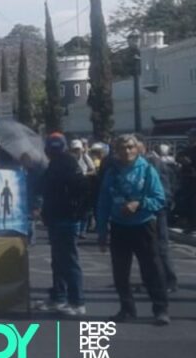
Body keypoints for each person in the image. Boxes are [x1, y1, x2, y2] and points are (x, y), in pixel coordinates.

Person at [97, 134, 169, 325]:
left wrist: (140, 204)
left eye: (130, 147)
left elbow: (160, 199)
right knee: (120, 272)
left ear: (137, 149)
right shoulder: (111, 173)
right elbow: (103, 201)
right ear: (116, 151)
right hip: (119, 227)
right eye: (122, 148)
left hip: (143, 226)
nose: (126, 151)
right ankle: (127, 308)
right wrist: (102, 230)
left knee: (152, 270)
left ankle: (160, 309)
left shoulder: (147, 170)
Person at [41, 133, 88, 316]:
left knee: (68, 261)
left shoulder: (66, 163)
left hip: (66, 219)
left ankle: (77, 301)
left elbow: (83, 188)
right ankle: (59, 297)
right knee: (59, 260)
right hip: (58, 218)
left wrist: (78, 212)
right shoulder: (57, 163)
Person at [139, 139, 178, 292]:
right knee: (147, 248)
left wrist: (162, 203)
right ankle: (152, 280)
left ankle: (169, 280)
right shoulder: (143, 163)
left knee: (161, 245)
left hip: (157, 208)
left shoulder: (151, 162)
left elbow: (162, 187)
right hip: (147, 208)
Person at [176, 128, 196, 233]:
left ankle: (193, 225)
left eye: (191, 136)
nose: (189, 138)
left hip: (193, 179)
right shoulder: (187, 148)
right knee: (187, 202)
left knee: (193, 203)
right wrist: (182, 159)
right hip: (187, 179)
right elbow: (178, 156)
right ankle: (190, 223)